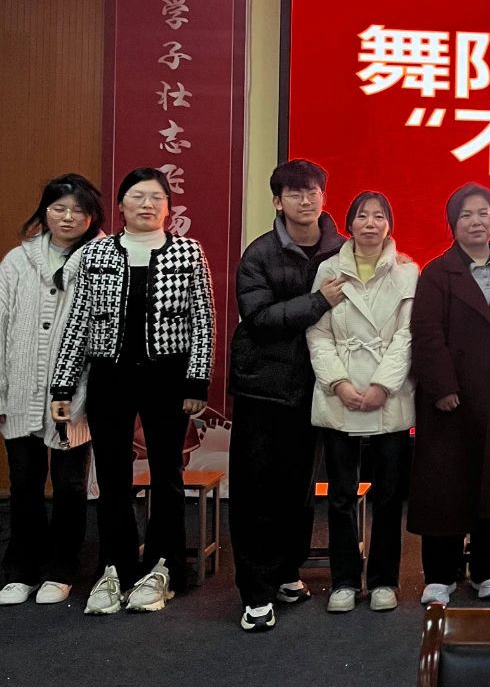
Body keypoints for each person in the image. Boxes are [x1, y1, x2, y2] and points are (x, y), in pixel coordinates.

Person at [50, 167, 215, 614]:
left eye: (157, 197)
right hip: (110, 376)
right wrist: (62, 385)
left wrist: (197, 380)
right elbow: (78, 322)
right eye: (138, 196)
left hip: (168, 377)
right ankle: (114, 568)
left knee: (167, 475)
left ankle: (163, 568)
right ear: (121, 205)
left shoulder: (188, 252)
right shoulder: (96, 253)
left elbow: (203, 321)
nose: (148, 204)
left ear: (169, 207)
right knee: (112, 477)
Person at [228, 158, 346, 632]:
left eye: (312, 191)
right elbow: (259, 319)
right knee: (257, 490)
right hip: (264, 387)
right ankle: (255, 591)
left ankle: (284, 571)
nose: (305, 199)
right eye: (294, 193)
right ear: (278, 202)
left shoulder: (341, 249)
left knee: (299, 489)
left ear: (323, 196)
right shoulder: (259, 254)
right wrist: (318, 302)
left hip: (315, 387)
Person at [410, 183, 490, 605]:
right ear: (453, 224)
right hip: (451, 401)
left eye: (483, 213)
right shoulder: (437, 272)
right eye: (466, 215)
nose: (476, 221)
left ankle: (488, 571)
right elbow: (426, 334)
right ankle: (440, 574)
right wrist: (442, 386)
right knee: (445, 488)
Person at [306, 191, 417, 613]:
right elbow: (318, 333)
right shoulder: (329, 270)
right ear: (349, 224)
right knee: (340, 494)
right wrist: (338, 383)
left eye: (379, 217)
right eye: (362, 216)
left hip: (388, 395)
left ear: (389, 224)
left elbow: (407, 336)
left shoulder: (407, 272)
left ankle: (385, 580)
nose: (370, 224)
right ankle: (345, 580)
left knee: (389, 495)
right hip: (340, 393)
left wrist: (381, 386)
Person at [0, 174, 103, 606]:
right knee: (24, 482)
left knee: (69, 486)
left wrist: (83, 396)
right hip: (20, 389)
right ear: (45, 212)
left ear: (92, 216)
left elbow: (101, 335)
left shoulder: (101, 261)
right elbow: (1, 326)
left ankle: (61, 569)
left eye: (78, 210)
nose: (68, 217)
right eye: (59, 208)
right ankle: (21, 569)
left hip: (75, 396)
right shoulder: (17, 261)